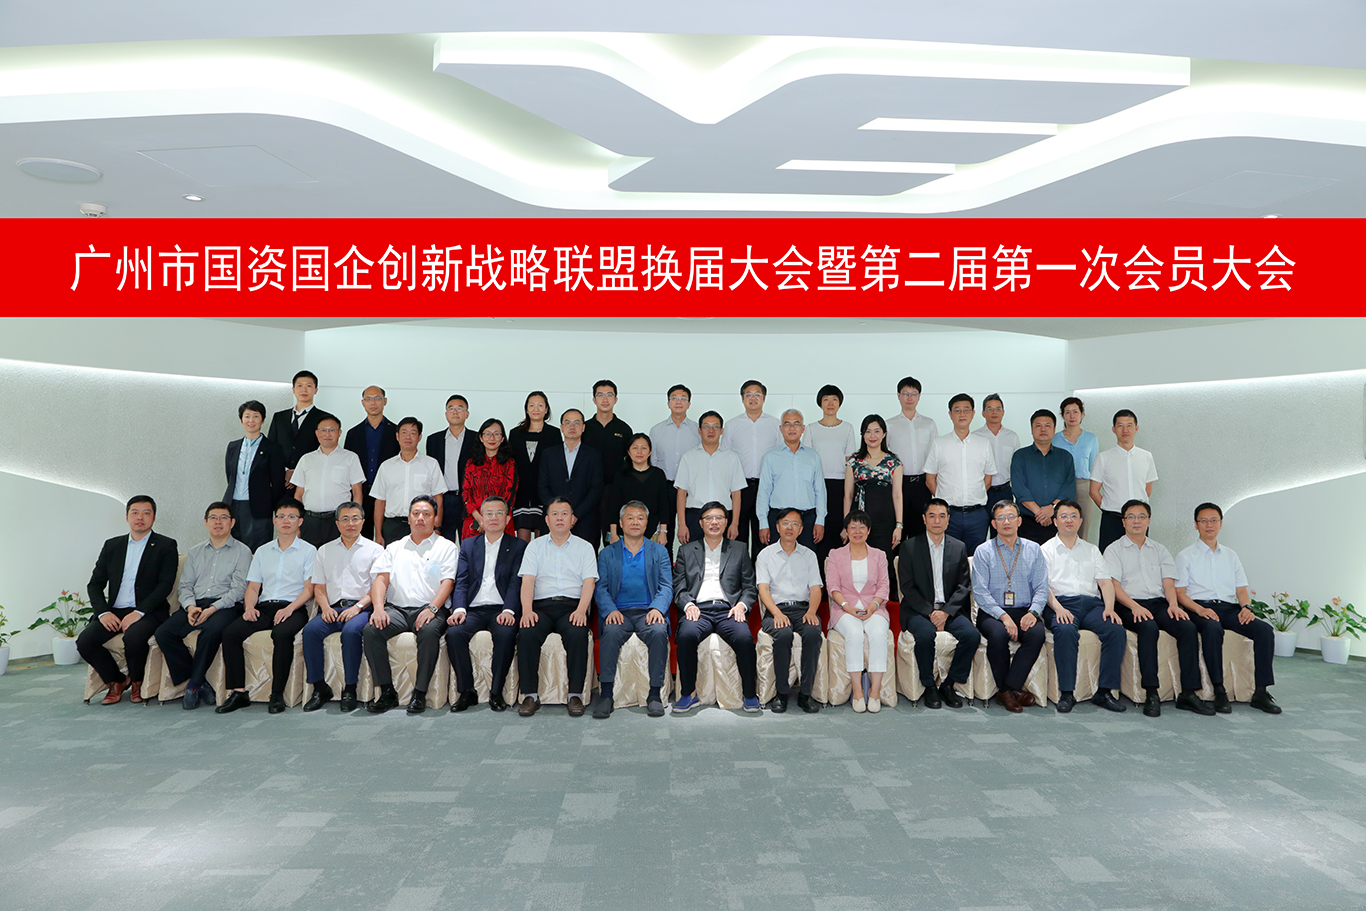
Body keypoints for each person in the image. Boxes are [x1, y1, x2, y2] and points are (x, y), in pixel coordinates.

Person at [1104, 499, 1215, 718]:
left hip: (1158, 603)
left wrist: (1173, 605)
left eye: (1142, 516)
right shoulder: (1113, 550)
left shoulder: (1159, 549)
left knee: (1187, 627)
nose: (1137, 521)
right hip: (1129, 604)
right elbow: (1113, 586)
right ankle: (1152, 692)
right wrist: (1135, 607)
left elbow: (1168, 583)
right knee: (1148, 627)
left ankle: (1189, 693)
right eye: (1131, 517)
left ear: (1149, 521)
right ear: (1123, 522)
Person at [1175, 503, 1281, 714]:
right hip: (1200, 608)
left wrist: (1246, 607)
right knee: (1213, 629)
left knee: (1264, 630)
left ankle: (1261, 692)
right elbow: (1180, 593)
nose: (1209, 525)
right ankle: (1219, 691)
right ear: (1196, 525)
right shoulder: (1185, 556)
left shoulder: (1231, 555)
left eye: (1214, 520)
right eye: (1203, 521)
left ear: (1221, 524)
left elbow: (1241, 589)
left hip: (1229, 608)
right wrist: (1199, 610)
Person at [215, 498, 317, 715]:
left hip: (293, 608)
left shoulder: (309, 551)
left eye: (292, 517)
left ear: (300, 521)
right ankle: (239, 693)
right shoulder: (262, 551)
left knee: (281, 634)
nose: (286, 521)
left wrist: (289, 609)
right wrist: (249, 608)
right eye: (281, 517)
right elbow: (253, 587)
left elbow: (309, 590)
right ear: (274, 521)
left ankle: (277, 694)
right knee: (231, 633)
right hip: (264, 607)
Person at [78, 495, 179, 705]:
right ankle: (117, 680)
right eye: (135, 513)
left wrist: (139, 612)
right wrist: (103, 612)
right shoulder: (112, 546)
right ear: (127, 517)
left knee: (134, 636)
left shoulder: (166, 545)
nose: (140, 517)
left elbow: (165, 585)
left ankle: (138, 683)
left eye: (146, 513)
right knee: (85, 641)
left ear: (154, 517)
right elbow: (94, 584)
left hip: (149, 611)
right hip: (114, 611)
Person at [363, 495, 458, 715]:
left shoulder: (446, 547)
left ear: (435, 518)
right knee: (371, 630)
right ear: (408, 518)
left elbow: (448, 582)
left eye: (426, 514)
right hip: (396, 610)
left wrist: (432, 608)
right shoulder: (394, 548)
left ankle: (420, 693)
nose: (420, 518)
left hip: (430, 608)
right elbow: (381, 580)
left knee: (429, 631)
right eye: (416, 513)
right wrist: (378, 609)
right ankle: (387, 692)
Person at [153, 502, 252, 711]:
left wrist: (213, 608)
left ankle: (193, 685)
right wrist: (190, 607)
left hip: (226, 606)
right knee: (163, 633)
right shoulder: (195, 552)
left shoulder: (243, 552)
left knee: (212, 631)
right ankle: (200, 681)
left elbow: (238, 590)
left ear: (232, 522)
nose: (218, 522)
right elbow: (185, 586)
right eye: (213, 518)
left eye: (224, 517)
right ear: (206, 523)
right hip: (195, 604)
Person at [673, 501, 761, 714]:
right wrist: (688, 605)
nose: (714, 522)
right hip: (698, 610)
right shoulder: (686, 550)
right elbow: (679, 586)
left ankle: (750, 694)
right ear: (701, 523)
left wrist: (741, 605)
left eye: (719, 518)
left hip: (728, 610)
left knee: (744, 638)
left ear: (726, 522)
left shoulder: (739, 549)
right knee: (686, 635)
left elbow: (749, 587)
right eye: (709, 518)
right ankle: (688, 694)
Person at [1040, 500, 1127, 713]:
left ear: (1080, 521)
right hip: (1060, 603)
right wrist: (1059, 609)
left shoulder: (1092, 550)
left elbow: (1105, 583)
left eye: (1073, 516)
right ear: (1055, 521)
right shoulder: (1045, 550)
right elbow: (1043, 586)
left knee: (1115, 630)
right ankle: (1067, 693)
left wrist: (1109, 608)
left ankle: (1104, 692)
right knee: (1066, 631)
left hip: (1091, 605)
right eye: (1063, 516)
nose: (1069, 520)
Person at [516, 497, 598, 717]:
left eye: (564, 514)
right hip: (541, 607)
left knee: (577, 633)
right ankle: (530, 695)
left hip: (572, 606)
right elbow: (528, 582)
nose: (559, 518)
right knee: (527, 631)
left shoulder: (585, 547)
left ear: (573, 519)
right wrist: (526, 611)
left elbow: (589, 582)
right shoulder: (534, 546)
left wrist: (581, 610)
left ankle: (575, 695)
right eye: (554, 514)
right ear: (547, 520)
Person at [300, 502, 384, 713]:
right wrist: (325, 608)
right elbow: (319, 587)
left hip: (361, 609)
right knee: (310, 631)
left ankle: (350, 689)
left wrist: (357, 607)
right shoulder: (324, 550)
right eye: (345, 519)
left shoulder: (375, 550)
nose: (350, 523)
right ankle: (320, 688)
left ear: (363, 522)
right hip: (332, 608)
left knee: (351, 632)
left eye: (355, 518)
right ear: (337, 523)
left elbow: (377, 586)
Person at [447, 496, 527, 713]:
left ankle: (496, 692)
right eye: (489, 513)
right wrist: (459, 609)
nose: (494, 517)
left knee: (505, 633)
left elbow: (516, 582)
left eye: (499, 513)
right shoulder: (468, 545)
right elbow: (462, 581)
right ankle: (467, 691)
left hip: (501, 609)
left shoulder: (518, 546)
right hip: (473, 608)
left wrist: (509, 610)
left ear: (508, 518)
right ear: (480, 519)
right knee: (454, 633)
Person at [593, 501, 673, 719]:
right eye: (630, 518)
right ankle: (606, 694)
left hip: (648, 612)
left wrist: (657, 608)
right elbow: (600, 587)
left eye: (640, 518)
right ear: (621, 523)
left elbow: (666, 586)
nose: (635, 522)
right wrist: (610, 610)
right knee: (610, 632)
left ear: (647, 523)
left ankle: (654, 694)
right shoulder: (607, 553)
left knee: (658, 632)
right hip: (619, 612)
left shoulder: (659, 551)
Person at [897, 498, 979, 709]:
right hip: (918, 609)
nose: (937, 521)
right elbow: (907, 587)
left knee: (971, 635)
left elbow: (963, 586)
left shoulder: (958, 547)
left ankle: (949, 685)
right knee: (925, 635)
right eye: (932, 516)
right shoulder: (909, 547)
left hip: (949, 609)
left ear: (948, 520)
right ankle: (929, 686)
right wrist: (931, 613)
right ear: (924, 519)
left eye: (942, 516)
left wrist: (945, 613)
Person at [972, 501, 1048, 713]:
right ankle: (1013, 692)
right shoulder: (983, 551)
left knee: (1037, 634)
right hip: (992, 612)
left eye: (1011, 517)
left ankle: (1007, 690)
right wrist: (1004, 617)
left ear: (1019, 521)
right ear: (993, 524)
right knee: (998, 634)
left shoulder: (1033, 549)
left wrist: (1033, 612)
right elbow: (980, 592)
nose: (1006, 522)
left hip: (1024, 609)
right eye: (1001, 518)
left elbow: (1042, 588)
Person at [755, 508, 823, 714]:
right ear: (777, 527)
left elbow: (815, 589)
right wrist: (777, 613)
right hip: (776, 610)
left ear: (801, 529)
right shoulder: (765, 555)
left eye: (795, 524)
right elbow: (763, 589)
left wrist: (812, 611)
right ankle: (781, 693)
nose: (789, 527)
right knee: (783, 634)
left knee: (813, 633)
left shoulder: (809, 555)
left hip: (803, 609)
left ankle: (806, 694)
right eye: (785, 523)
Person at [826, 510, 891, 713]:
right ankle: (857, 692)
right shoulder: (835, 555)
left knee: (878, 634)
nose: (857, 531)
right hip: (844, 609)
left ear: (869, 531)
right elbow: (833, 587)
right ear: (846, 531)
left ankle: (875, 691)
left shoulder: (879, 555)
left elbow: (883, 586)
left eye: (862, 527)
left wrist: (873, 606)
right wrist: (847, 607)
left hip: (874, 608)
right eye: (852, 527)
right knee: (854, 634)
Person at [925, 394, 997, 553]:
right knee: (948, 558)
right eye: (957, 410)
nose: (962, 414)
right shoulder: (939, 444)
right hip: (949, 515)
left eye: (966, 410)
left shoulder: (984, 444)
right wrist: (944, 500)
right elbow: (930, 480)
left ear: (973, 413)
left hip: (977, 515)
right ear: (950, 414)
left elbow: (988, 480)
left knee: (976, 558)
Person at [842, 414, 903, 594]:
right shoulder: (853, 461)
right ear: (862, 434)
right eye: (868, 431)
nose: (872, 435)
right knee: (859, 561)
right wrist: (846, 525)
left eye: (877, 431)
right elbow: (848, 495)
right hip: (859, 521)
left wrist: (899, 525)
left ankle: (883, 600)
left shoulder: (893, 461)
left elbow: (897, 495)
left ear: (884, 434)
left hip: (885, 520)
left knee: (884, 561)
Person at [722, 379, 782, 559]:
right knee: (737, 534)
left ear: (764, 398)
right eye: (748, 394)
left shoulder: (775, 424)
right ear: (742, 399)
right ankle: (738, 574)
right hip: (739, 488)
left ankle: (761, 574)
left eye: (757, 394)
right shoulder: (732, 425)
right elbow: (725, 457)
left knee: (763, 535)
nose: (753, 398)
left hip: (767, 487)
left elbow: (781, 455)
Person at [802, 384, 858, 569]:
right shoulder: (811, 428)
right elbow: (807, 459)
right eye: (826, 399)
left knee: (836, 529)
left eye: (834, 399)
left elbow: (850, 461)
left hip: (840, 485)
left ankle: (836, 575)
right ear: (820, 403)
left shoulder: (847, 428)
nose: (830, 403)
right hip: (816, 485)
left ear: (840, 403)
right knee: (817, 530)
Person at [290, 412, 364, 547]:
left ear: (339, 433)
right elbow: (298, 494)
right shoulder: (306, 459)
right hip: (310, 521)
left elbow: (357, 492)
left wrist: (354, 520)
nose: (327, 434)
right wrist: (296, 522)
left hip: (338, 521)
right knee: (311, 558)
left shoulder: (350, 458)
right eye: (323, 430)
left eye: (332, 430)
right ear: (317, 433)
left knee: (338, 557)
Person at [756, 409, 825, 553]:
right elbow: (764, 492)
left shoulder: (813, 456)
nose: (792, 428)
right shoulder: (770, 457)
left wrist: (820, 521)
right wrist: (763, 523)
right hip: (779, 519)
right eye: (787, 424)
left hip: (807, 520)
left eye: (796, 424)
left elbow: (820, 491)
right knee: (777, 561)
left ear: (803, 428)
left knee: (807, 560)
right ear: (781, 429)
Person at [1089, 409, 1158, 553]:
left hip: (1138, 520)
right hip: (1112, 519)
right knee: (1109, 558)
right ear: (1114, 429)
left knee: (1140, 558)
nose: (1125, 430)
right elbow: (1093, 491)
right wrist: (1109, 507)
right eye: (1120, 425)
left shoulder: (1146, 457)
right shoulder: (1103, 458)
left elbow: (1147, 490)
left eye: (1129, 425)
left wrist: (1136, 513)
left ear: (1136, 428)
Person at [674, 411, 746, 546]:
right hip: (695, 516)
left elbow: (736, 494)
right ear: (699, 430)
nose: (711, 430)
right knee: (694, 556)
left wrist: (735, 523)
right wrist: (682, 525)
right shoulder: (688, 457)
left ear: (721, 431)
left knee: (723, 556)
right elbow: (681, 493)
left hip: (723, 517)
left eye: (715, 427)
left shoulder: (732, 458)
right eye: (706, 426)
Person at [371, 417, 445, 546]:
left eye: (413, 433)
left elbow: (438, 498)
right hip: (392, 526)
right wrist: (378, 534)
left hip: (422, 523)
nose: (408, 437)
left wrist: (437, 527)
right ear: (397, 436)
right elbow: (380, 502)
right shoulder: (386, 466)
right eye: (404, 432)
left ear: (419, 437)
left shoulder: (431, 464)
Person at [537, 409, 605, 550]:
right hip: (554, 520)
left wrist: (575, 514)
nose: (572, 427)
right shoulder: (548, 454)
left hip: (584, 520)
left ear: (583, 427)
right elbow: (542, 487)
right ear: (561, 428)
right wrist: (557, 513)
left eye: (576, 423)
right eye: (567, 423)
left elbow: (596, 489)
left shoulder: (594, 455)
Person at [224, 399, 285, 552]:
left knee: (257, 550)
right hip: (232, 505)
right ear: (241, 420)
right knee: (232, 549)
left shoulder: (272, 448)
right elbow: (230, 476)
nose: (251, 420)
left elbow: (277, 482)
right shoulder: (233, 446)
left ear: (262, 420)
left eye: (256, 416)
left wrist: (271, 506)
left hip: (259, 508)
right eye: (247, 416)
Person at [1009, 409, 1075, 545]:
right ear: (1032, 430)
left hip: (1057, 521)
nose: (1043, 429)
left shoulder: (1065, 457)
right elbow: (1019, 488)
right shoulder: (1020, 456)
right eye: (1038, 425)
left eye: (1047, 425)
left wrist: (1052, 508)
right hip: (1027, 521)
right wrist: (1040, 513)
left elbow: (1069, 489)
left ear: (1054, 429)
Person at [885, 376, 938, 540]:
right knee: (897, 529)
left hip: (922, 484)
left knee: (920, 532)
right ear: (898, 395)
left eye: (913, 393)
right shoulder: (889, 424)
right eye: (905, 393)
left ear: (919, 396)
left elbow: (936, 455)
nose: (909, 397)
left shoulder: (929, 423)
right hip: (897, 485)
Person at [344, 386, 399, 541]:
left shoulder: (396, 432)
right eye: (368, 399)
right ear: (363, 403)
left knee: (387, 537)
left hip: (388, 493)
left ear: (385, 401)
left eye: (377, 398)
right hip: (361, 492)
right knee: (362, 539)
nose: (373, 403)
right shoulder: (353, 433)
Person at [582, 379, 633, 546]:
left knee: (612, 539)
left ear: (615, 399)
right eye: (600, 395)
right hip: (587, 490)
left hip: (614, 491)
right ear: (594, 399)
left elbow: (629, 461)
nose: (605, 399)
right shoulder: (585, 428)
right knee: (588, 539)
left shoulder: (624, 429)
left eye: (609, 395)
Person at [648, 384, 699, 549]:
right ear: (668, 403)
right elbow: (653, 461)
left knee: (691, 533)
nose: (678, 402)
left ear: (689, 404)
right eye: (674, 398)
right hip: (665, 488)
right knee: (665, 535)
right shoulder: (656, 430)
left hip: (691, 489)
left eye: (683, 398)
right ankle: (666, 564)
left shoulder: (697, 430)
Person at [509, 391, 561, 541]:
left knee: (541, 542)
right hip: (521, 495)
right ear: (526, 409)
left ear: (546, 409)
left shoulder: (554, 434)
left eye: (540, 405)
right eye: (531, 405)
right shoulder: (515, 434)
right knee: (521, 544)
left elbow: (557, 465)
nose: (536, 409)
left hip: (545, 495)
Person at [427, 394, 479, 542]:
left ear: (467, 414)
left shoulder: (477, 439)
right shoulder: (434, 440)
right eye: (451, 408)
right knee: (442, 544)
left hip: (468, 500)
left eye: (460, 408)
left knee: (470, 544)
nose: (455, 412)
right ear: (446, 414)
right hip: (442, 500)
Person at [606, 433, 671, 545]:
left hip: (653, 532)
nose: (639, 452)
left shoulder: (658, 475)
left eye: (644, 448)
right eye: (635, 448)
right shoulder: (621, 475)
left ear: (650, 452)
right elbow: (614, 505)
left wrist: (663, 532)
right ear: (628, 451)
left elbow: (664, 506)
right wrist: (613, 532)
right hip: (625, 533)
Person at [461, 418, 518, 539]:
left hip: (500, 519)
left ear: (502, 438)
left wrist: (491, 517)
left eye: (496, 434)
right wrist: (480, 518)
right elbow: (466, 492)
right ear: (481, 438)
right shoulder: (471, 463)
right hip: (474, 520)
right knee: (473, 550)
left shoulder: (509, 464)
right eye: (487, 434)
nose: (492, 438)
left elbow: (510, 493)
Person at [1054, 397, 1100, 541]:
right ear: (1062, 416)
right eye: (1067, 412)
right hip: (1060, 487)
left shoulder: (1091, 438)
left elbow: (1094, 468)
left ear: (1082, 414)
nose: (1072, 416)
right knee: (1061, 527)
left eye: (1075, 411)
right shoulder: (1055, 439)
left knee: (1082, 529)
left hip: (1083, 487)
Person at [268, 370, 323, 486]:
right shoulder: (279, 417)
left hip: (310, 481)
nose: (304, 390)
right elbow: (271, 448)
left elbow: (324, 450)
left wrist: (298, 473)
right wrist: (285, 471)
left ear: (316, 390)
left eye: (309, 386)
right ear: (293, 389)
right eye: (300, 385)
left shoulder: (324, 418)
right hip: (281, 481)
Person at [973, 394, 1020, 518]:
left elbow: (1017, 466)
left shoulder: (1012, 437)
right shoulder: (974, 437)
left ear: (1003, 412)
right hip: (982, 491)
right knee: (981, 526)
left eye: (998, 409)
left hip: (1005, 491)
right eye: (990, 409)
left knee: (1004, 526)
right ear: (983, 413)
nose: (994, 412)